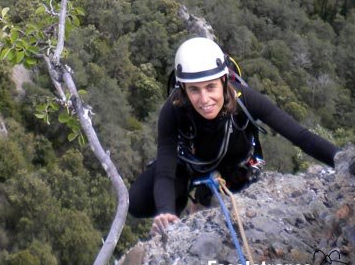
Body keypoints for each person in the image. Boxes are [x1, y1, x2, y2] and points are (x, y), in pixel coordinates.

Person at [129, 37, 340, 234]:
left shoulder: (245, 99)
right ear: (183, 88)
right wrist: (166, 211)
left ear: (223, 80)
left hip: (235, 167)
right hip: (192, 164)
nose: (204, 99)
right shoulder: (173, 109)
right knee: (138, 202)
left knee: (237, 225)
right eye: (194, 90)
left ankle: (205, 195)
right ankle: (183, 207)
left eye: (210, 87)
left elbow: (300, 136)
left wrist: (340, 159)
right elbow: (165, 170)